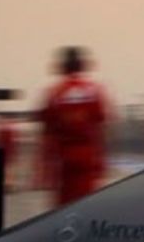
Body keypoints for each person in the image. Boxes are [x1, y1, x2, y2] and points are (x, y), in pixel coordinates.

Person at [40, 47, 109, 206]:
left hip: (64, 159)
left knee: (64, 207)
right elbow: (101, 128)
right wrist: (101, 161)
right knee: (86, 204)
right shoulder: (95, 91)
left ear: (63, 66)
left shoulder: (54, 93)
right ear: (82, 65)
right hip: (88, 157)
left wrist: (45, 168)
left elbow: (48, 132)